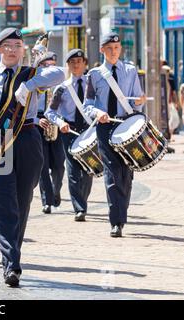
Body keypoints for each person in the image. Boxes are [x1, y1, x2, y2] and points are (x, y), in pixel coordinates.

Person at [0, 28, 64, 287]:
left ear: (22, 50)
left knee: (22, 201)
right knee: (3, 203)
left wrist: (28, 86)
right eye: (6, 45)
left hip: (27, 138)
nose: (12, 50)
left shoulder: (31, 74)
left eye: (17, 45)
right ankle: (12, 266)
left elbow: (60, 73)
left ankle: (11, 253)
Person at [83, 32, 146, 237]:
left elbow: (138, 98)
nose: (113, 52)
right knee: (112, 173)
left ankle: (121, 212)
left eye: (116, 48)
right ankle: (116, 221)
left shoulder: (130, 70)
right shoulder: (94, 74)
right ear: (102, 50)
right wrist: (98, 113)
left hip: (126, 125)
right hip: (106, 127)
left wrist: (139, 101)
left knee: (126, 174)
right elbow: (88, 105)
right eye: (109, 48)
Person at [45, 49, 92, 222]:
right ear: (68, 65)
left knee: (88, 170)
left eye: (79, 61)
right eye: (72, 62)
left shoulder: (92, 84)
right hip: (69, 131)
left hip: (89, 129)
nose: (76, 64)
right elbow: (50, 112)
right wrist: (60, 123)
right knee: (73, 170)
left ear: (85, 63)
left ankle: (83, 201)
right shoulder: (61, 89)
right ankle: (79, 208)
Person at [35, 52, 65, 214]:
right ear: (40, 67)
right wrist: (37, 120)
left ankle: (55, 190)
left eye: (53, 65)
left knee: (59, 165)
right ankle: (46, 201)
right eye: (46, 65)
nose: (50, 69)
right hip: (40, 122)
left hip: (56, 123)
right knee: (43, 165)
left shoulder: (60, 84)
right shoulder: (34, 84)